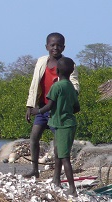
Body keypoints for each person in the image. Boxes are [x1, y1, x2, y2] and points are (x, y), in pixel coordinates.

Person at [24, 32, 79, 178]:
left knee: (58, 146)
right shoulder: (41, 61)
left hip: (57, 111)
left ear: (64, 47)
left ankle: (56, 177)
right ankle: (35, 170)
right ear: (46, 46)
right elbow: (34, 84)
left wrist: (63, 87)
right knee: (34, 137)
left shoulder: (68, 64)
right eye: (52, 45)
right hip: (42, 106)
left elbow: (75, 86)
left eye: (59, 45)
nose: (56, 48)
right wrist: (30, 106)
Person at [31, 57, 80, 197]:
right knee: (60, 154)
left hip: (62, 125)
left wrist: (37, 111)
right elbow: (77, 107)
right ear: (71, 73)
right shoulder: (71, 87)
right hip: (70, 123)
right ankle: (57, 182)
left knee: (64, 158)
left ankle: (72, 189)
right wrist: (66, 110)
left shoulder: (56, 86)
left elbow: (49, 105)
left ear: (57, 71)